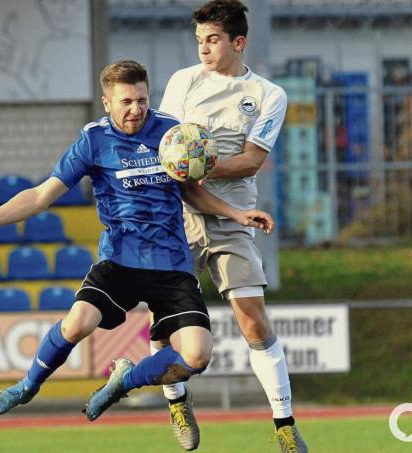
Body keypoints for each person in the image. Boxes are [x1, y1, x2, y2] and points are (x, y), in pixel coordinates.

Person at [0, 60, 274, 427]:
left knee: (196, 357)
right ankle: (27, 386)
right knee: (77, 323)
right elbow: (40, 196)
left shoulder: (173, 135)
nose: (136, 109)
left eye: (141, 100)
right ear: (107, 102)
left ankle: (124, 382)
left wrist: (237, 214)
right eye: (126, 101)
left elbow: (190, 193)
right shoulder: (93, 141)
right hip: (120, 258)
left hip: (171, 263)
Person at [157, 2, 308, 451]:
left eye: (213, 39)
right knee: (163, 325)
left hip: (231, 218)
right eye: (199, 39)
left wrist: (202, 166)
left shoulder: (267, 95)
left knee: (254, 324)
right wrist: (181, 167)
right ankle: (177, 401)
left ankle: (284, 423)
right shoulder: (183, 81)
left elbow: (251, 159)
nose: (203, 47)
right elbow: (165, 143)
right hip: (177, 215)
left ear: (238, 42)